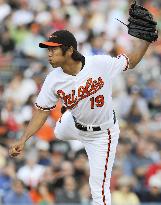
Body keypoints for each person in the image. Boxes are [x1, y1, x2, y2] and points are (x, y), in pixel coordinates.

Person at [8, 3, 158, 204]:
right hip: (73, 125)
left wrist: (146, 42)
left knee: (99, 191)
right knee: (58, 131)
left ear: (69, 50)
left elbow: (130, 61)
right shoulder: (53, 79)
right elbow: (41, 112)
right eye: (48, 50)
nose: (49, 54)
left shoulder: (99, 64)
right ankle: (68, 111)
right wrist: (23, 139)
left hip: (101, 135)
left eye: (54, 50)